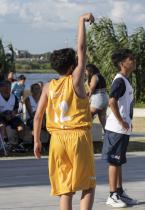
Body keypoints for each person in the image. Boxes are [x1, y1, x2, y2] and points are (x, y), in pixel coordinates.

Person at [33, 13, 96, 210]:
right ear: (72, 66)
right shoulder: (75, 81)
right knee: (87, 185)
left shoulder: (48, 87)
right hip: (77, 137)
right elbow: (82, 48)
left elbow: (37, 116)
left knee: (65, 188)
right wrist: (81, 21)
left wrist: (36, 140)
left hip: (57, 139)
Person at [102, 48, 137, 208]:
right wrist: (121, 121)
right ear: (123, 63)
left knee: (119, 161)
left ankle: (120, 192)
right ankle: (112, 195)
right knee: (114, 162)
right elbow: (111, 101)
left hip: (122, 129)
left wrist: (127, 121)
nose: (134, 60)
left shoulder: (125, 80)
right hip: (116, 129)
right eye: (131, 59)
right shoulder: (119, 81)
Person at [0, 80, 26, 152]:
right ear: (0, 88)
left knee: (21, 125)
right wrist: (4, 114)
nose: (7, 88)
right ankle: (5, 143)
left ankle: (20, 143)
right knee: (2, 125)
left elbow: (16, 109)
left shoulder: (14, 97)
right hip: (1, 116)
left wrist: (12, 114)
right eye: (5, 87)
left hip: (11, 116)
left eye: (8, 87)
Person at [85, 64, 108, 130]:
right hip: (104, 98)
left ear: (90, 70)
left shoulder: (94, 77)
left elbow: (91, 90)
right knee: (103, 119)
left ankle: (88, 134)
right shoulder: (101, 76)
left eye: (86, 71)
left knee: (87, 116)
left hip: (98, 99)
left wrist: (87, 85)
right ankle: (107, 136)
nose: (85, 73)